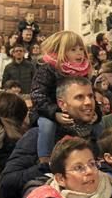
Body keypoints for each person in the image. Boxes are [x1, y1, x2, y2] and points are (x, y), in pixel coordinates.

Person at [31, 30, 92, 160]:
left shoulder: (83, 71)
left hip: (75, 110)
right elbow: (38, 95)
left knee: (98, 125)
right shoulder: (47, 69)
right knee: (47, 126)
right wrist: (55, 113)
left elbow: (90, 94)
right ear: (61, 52)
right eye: (73, 49)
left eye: (81, 49)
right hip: (47, 112)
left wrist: (96, 113)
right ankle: (44, 159)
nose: (79, 53)